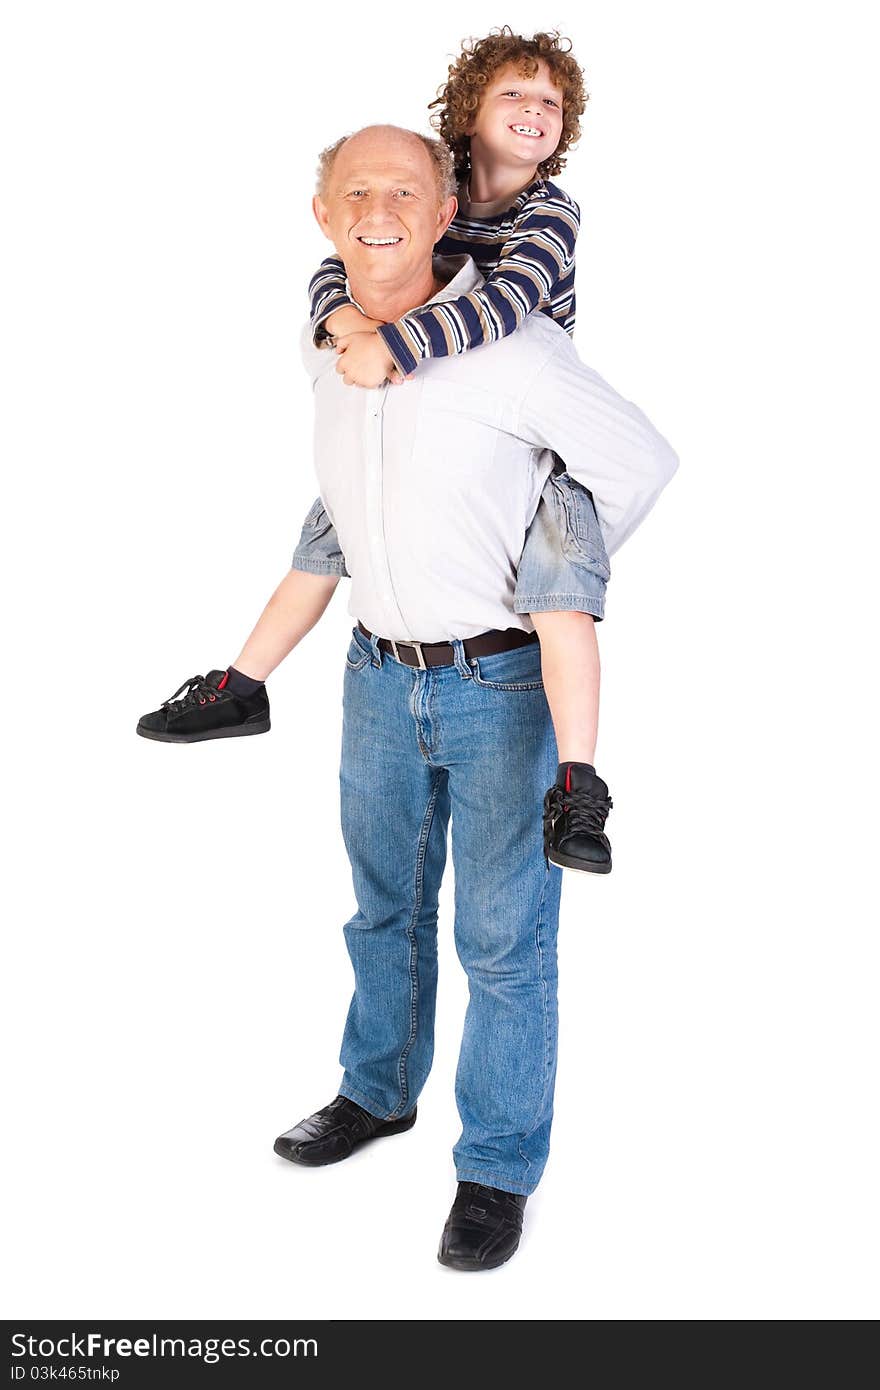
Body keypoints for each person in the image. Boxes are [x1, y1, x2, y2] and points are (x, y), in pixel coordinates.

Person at [140, 124, 677, 1269]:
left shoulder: (518, 348)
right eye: (355, 191)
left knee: (503, 941)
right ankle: (375, 1093)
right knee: (380, 908)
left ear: (445, 213)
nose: (378, 207)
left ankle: (494, 1168)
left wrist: (556, 558)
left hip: (498, 683)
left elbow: (638, 461)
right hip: (376, 678)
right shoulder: (322, 342)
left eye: (405, 189)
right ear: (326, 218)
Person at [138, 29, 618, 875]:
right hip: (414, 442)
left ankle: (579, 783)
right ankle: (240, 688)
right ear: (468, 115)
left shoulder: (550, 213)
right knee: (325, 543)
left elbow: (502, 307)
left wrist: (395, 345)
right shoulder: (431, 193)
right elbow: (341, 272)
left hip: (529, 455)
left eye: (550, 102)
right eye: (514, 95)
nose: (533, 112)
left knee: (560, 604)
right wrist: (345, 320)